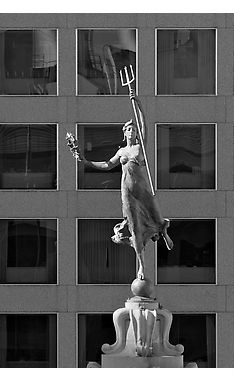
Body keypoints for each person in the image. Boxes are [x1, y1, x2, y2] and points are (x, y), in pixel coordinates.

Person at [77, 91, 173, 280]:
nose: (132, 131)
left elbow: (145, 124)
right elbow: (107, 165)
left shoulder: (140, 147)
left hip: (142, 189)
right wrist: (86, 162)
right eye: (129, 129)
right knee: (134, 227)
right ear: (124, 133)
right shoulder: (121, 151)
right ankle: (141, 267)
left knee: (157, 216)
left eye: (134, 130)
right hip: (127, 191)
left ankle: (163, 232)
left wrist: (138, 103)